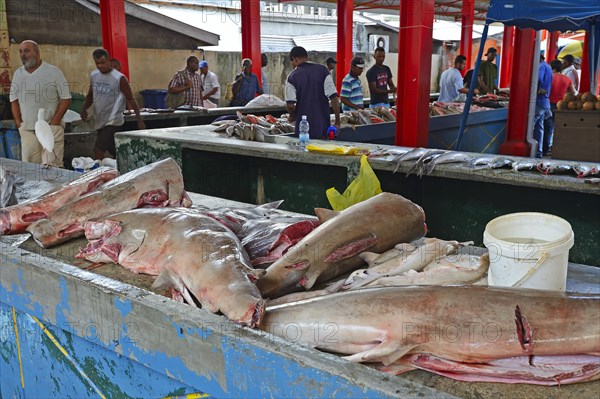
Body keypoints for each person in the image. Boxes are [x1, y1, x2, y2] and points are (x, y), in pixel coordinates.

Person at [10, 40, 71, 167]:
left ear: (37, 52)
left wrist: (55, 121)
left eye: (27, 51)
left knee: (52, 167)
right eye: (20, 51)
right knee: (31, 168)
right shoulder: (18, 74)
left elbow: (66, 98)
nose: (23, 54)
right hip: (28, 130)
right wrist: (19, 123)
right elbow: (13, 100)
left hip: (50, 128)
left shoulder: (53, 72)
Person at [81, 48, 145, 160]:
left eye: (103, 63)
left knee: (98, 149)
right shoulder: (94, 75)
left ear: (109, 61)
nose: (100, 66)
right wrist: (84, 108)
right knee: (113, 150)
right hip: (100, 118)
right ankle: (126, 166)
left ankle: (99, 174)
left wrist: (139, 120)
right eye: (97, 63)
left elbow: (131, 98)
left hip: (113, 121)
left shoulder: (119, 78)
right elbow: (91, 94)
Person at [285, 46, 341, 139]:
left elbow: (290, 105)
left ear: (294, 59)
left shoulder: (291, 77)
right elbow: (334, 99)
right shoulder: (323, 70)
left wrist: (292, 115)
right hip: (323, 128)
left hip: (303, 132)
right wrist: (337, 122)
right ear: (306, 57)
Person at [546, 59, 576, 156]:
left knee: (548, 128)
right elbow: (573, 93)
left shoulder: (549, 77)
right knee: (559, 128)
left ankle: (545, 149)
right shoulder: (567, 79)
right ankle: (557, 149)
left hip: (549, 104)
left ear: (553, 69)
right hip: (561, 106)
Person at [532, 53, 552, 159]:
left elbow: (538, 79)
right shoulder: (548, 66)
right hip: (545, 102)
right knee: (539, 127)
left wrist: (535, 89)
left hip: (538, 101)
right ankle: (538, 153)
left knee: (530, 126)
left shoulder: (540, 66)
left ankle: (529, 151)